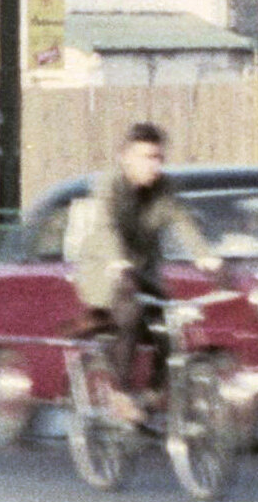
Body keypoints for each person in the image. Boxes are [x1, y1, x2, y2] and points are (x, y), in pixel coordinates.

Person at [65, 122, 218, 413]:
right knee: (131, 312)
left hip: (142, 272)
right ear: (125, 157)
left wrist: (206, 258)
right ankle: (120, 392)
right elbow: (107, 226)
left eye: (158, 157)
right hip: (104, 270)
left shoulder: (164, 188)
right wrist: (117, 261)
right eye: (146, 157)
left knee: (171, 325)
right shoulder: (109, 184)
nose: (154, 165)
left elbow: (183, 222)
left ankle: (153, 394)